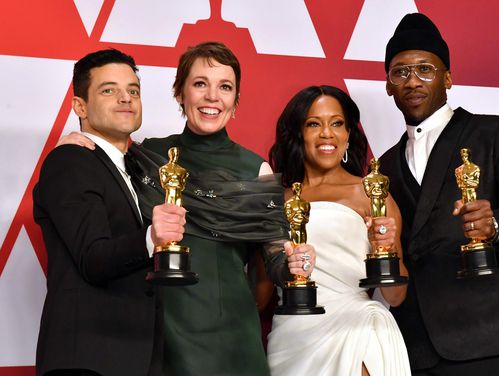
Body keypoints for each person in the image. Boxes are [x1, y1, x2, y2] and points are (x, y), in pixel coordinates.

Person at [57, 41, 316, 375]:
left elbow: (278, 265)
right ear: (180, 93)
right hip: (158, 335)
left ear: (235, 101)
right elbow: (101, 166)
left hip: (231, 336)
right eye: (199, 84)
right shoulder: (146, 157)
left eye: (225, 87)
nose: (212, 97)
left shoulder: (256, 170)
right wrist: (74, 141)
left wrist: (298, 264)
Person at [379, 13, 499, 375]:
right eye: (401, 72)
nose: (413, 81)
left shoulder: (495, 130)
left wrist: (496, 224)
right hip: (418, 345)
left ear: (448, 78)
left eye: (425, 69)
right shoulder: (382, 167)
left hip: (492, 336)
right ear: (388, 86)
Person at [33, 49, 186, 376]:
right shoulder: (70, 161)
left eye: (133, 90)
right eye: (109, 90)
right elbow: (93, 258)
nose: (125, 98)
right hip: (89, 361)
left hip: (133, 357)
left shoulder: (136, 168)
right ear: (80, 106)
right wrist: (151, 237)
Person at [267, 85, 410, 376]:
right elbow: (262, 287)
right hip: (292, 338)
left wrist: (389, 244)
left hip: (355, 329)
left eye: (336, 123)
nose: (326, 134)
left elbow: (396, 296)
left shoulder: (371, 193)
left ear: (348, 134)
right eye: (313, 124)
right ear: (298, 133)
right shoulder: (276, 200)